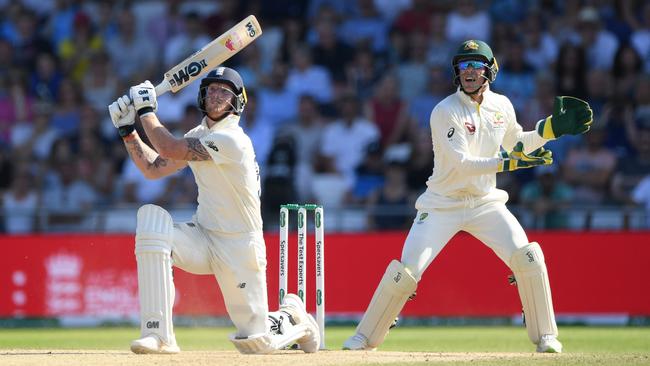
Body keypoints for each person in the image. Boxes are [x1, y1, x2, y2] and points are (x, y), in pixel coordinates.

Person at [342, 40, 593, 353]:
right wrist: (512, 161)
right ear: (456, 73)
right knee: (405, 272)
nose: (469, 71)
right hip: (442, 204)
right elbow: (464, 164)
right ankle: (364, 337)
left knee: (528, 256)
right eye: (463, 66)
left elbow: (518, 141)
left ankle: (546, 336)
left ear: (489, 70)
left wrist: (551, 130)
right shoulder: (445, 111)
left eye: (475, 65)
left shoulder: (501, 105)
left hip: (485, 203)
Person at [108, 67, 319, 355]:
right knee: (151, 221)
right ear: (202, 95)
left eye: (224, 91)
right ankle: (158, 335)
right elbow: (153, 168)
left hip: (239, 246)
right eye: (211, 89)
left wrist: (145, 108)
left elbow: (168, 147)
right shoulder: (198, 134)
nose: (216, 95)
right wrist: (127, 130)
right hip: (204, 237)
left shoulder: (233, 141)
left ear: (238, 101)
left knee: (254, 342)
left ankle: (294, 319)